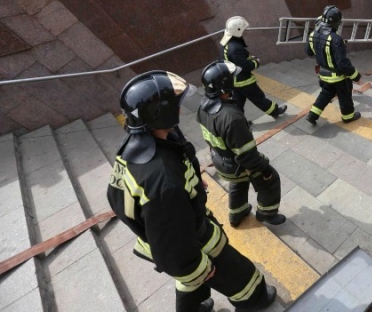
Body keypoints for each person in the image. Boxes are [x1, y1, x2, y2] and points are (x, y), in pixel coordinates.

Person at [107, 70, 277, 312]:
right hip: (188, 240)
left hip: (167, 234)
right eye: (175, 104)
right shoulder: (163, 180)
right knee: (242, 276)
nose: (179, 108)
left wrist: (193, 182)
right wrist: (196, 267)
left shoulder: (141, 143)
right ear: (161, 112)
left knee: (188, 283)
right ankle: (256, 300)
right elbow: (173, 242)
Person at [197, 61, 286, 227]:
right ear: (225, 85)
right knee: (270, 180)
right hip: (236, 165)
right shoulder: (231, 117)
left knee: (238, 184)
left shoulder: (202, 107)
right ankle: (266, 213)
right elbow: (247, 156)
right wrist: (264, 168)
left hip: (219, 160)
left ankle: (236, 214)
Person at [220, 16, 287, 119]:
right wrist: (256, 62)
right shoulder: (235, 48)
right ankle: (275, 111)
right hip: (243, 80)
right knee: (259, 97)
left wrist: (249, 57)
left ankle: (240, 122)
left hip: (234, 80)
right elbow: (244, 66)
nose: (245, 32)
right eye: (243, 30)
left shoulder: (227, 42)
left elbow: (237, 59)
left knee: (238, 103)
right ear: (237, 30)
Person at [305, 5, 362, 125]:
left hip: (323, 75)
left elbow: (309, 52)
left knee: (325, 94)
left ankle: (312, 115)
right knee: (344, 96)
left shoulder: (312, 35)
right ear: (336, 22)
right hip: (338, 78)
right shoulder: (336, 39)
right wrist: (356, 76)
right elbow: (343, 64)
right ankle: (348, 117)